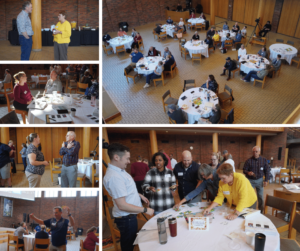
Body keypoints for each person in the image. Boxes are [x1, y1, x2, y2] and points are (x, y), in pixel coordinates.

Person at [103, 143, 154, 251]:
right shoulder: (114, 177)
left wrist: (139, 195)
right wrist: (145, 209)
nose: (129, 161)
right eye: (127, 158)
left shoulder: (119, 170)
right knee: (128, 246)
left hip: (130, 217)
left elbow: (127, 189)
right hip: (127, 219)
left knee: (131, 242)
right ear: (116, 157)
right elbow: (122, 205)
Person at [243, 146, 270, 212]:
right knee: (250, 196)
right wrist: (248, 172)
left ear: (259, 152)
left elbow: (267, 171)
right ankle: (251, 211)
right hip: (250, 181)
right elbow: (244, 170)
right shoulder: (248, 160)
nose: (255, 153)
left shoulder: (264, 160)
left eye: (256, 151)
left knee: (260, 196)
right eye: (254, 151)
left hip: (260, 181)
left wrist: (266, 180)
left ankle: (261, 211)